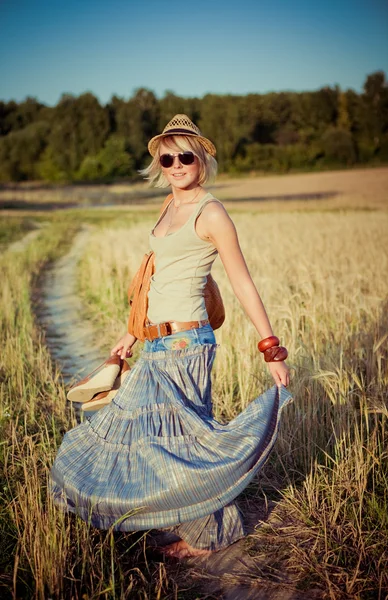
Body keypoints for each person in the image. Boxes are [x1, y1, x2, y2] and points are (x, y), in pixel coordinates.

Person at [50, 114, 292, 559]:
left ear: (201, 160)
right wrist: (130, 334)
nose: (176, 164)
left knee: (188, 443)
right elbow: (156, 279)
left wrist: (270, 348)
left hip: (188, 344)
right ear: (159, 163)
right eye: (167, 157)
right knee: (166, 441)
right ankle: (187, 521)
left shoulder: (212, 212)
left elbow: (242, 282)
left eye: (185, 156)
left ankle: (209, 537)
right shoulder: (168, 206)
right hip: (156, 341)